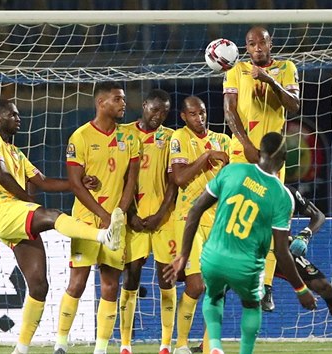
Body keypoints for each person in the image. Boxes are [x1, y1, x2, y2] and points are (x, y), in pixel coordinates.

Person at [0, 99, 123, 354]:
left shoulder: (17, 153)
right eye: (13, 115)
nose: (19, 119)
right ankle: (103, 236)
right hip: (4, 212)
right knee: (52, 215)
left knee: (39, 286)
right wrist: (26, 199)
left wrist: (77, 184)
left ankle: (20, 349)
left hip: (16, 215)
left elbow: (42, 181)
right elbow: (0, 175)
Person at [164, 132, 317, 354]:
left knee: (213, 295)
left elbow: (195, 209)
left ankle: (213, 345)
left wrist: (183, 255)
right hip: (246, 262)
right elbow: (282, 251)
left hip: (214, 256)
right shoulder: (283, 196)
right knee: (252, 305)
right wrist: (301, 289)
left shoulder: (233, 171)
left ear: (259, 152)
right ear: (284, 159)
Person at [53, 82, 140, 354]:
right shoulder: (79, 137)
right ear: (101, 103)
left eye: (123, 99)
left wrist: (117, 215)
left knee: (111, 284)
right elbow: (76, 184)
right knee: (77, 283)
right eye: (117, 99)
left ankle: (101, 348)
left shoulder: (130, 138)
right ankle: (61, 343)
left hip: (115, 222)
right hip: (86, 223)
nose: (123, 104)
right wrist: (102, 216)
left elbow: (131, 181)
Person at [223, 26, 300, 312]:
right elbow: (229, 110)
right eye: (251, 44)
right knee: (235, 211)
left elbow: (293, 106)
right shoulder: (236, 70)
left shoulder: (286, 68)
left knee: (269, 222)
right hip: (243, 152)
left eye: (261, 43)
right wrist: (245, 144)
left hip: (272, 158)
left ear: (271, 44)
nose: (256, 48)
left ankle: (265, 286)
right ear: (246, 47)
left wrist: (269, 80)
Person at [169, 96, 230, 354]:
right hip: (189, 219)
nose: (199, 118)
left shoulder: (224, 140)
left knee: (218, 287)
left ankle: (208, 347)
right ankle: (181, 344)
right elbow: (180, 178)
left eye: (202, 113)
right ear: (184, 116)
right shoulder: (178, 139)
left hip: (219, 221)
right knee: (195, 285)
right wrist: (206, 156)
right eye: (193, 114)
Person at [119, 89, 178, 354]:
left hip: (163, 219)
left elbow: (173, 184)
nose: (159, 116)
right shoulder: (124, 133)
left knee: (167, 280)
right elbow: (119, 178)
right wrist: (130, 214)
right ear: (144, 106)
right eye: (155, 109)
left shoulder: (171, 138)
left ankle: (166, 344)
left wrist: (160, 214)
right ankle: (125, 344)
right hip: (133, 218)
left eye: (164, 111)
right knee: (131, 277)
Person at [280, 185, 332, 352]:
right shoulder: (253, 188)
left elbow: (318, 215)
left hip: (283, 253)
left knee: (324, 286)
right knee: (224, 283)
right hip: (256, 251)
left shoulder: (288, 191)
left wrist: (305, 234)